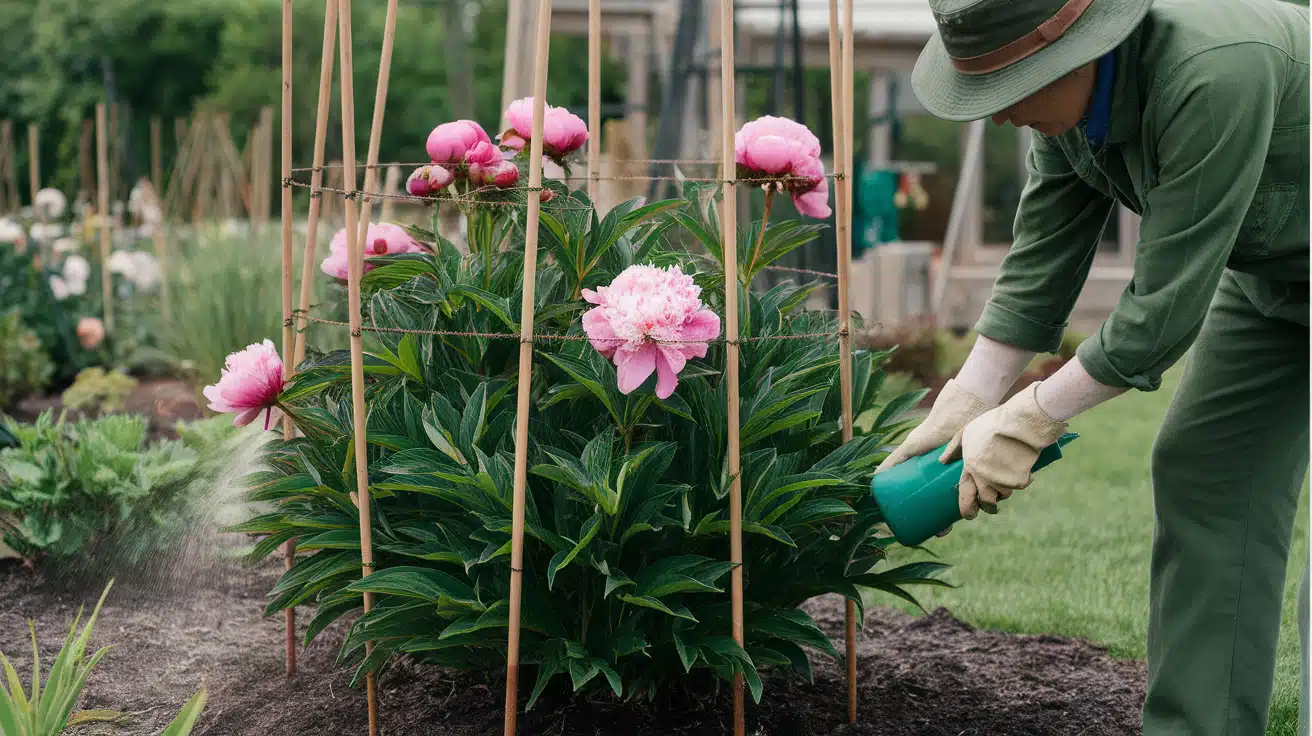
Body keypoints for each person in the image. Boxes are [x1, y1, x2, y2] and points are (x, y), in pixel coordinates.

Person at [880, 0, 1310, 733]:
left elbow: (1163, 310)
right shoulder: (1074, 113)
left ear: (1076, 49)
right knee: (1206, 471)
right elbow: (1045, 251)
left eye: (1008, 91)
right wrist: (971, 395)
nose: (998, 117)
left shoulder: (1213, 70)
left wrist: (1035, 416)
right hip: (1280, 274)